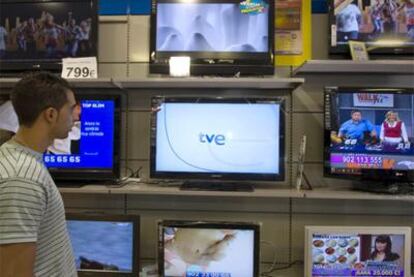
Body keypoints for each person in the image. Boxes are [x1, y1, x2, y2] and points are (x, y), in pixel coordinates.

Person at [0, 72, 79, 277]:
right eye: (71, 109)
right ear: (50, 114)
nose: (76, 116)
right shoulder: (21, 179)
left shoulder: (24, 160)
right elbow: (13, 272)